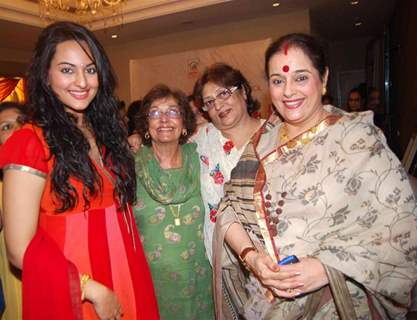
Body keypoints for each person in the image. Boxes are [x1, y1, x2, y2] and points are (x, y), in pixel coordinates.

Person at [212, 33, 417, 319]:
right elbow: (228, 209)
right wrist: (253, 259)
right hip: (267, 302)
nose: (288, 91)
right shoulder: (261, 142)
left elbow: (400, 228)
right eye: (278, 80)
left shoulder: (356, 140)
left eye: (301, 77)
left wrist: (326, 268)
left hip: (337, 301)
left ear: (323, 78)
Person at [0, 22, 159, 319]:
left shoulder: (105, 132)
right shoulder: (30, 141)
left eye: (90, 69)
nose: (82, 81)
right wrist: (91, 290)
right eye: (67, 70)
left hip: (129, 271)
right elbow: (18, 249)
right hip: (77, 290)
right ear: (45, 75)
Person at [133, 84, 214, 319]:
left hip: (200, 280)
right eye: (155, 113)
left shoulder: (203, 159)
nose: (164, 119)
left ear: (185, 122)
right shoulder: (130, 166)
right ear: (146, 124)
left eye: (173, 111)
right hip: (151, 283)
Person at [192, 63, 264, 266]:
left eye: (223, 93)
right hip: (223, 263)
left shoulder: (276, 136)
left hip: (273, 258)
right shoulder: (201, 139)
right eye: (209, 102)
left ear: (244, 91)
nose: (218, 105)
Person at [0, 102, 27, 320]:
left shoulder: (53, 173)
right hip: (16, 280)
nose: (17, 130)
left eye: (21, 123)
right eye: (6, 127)